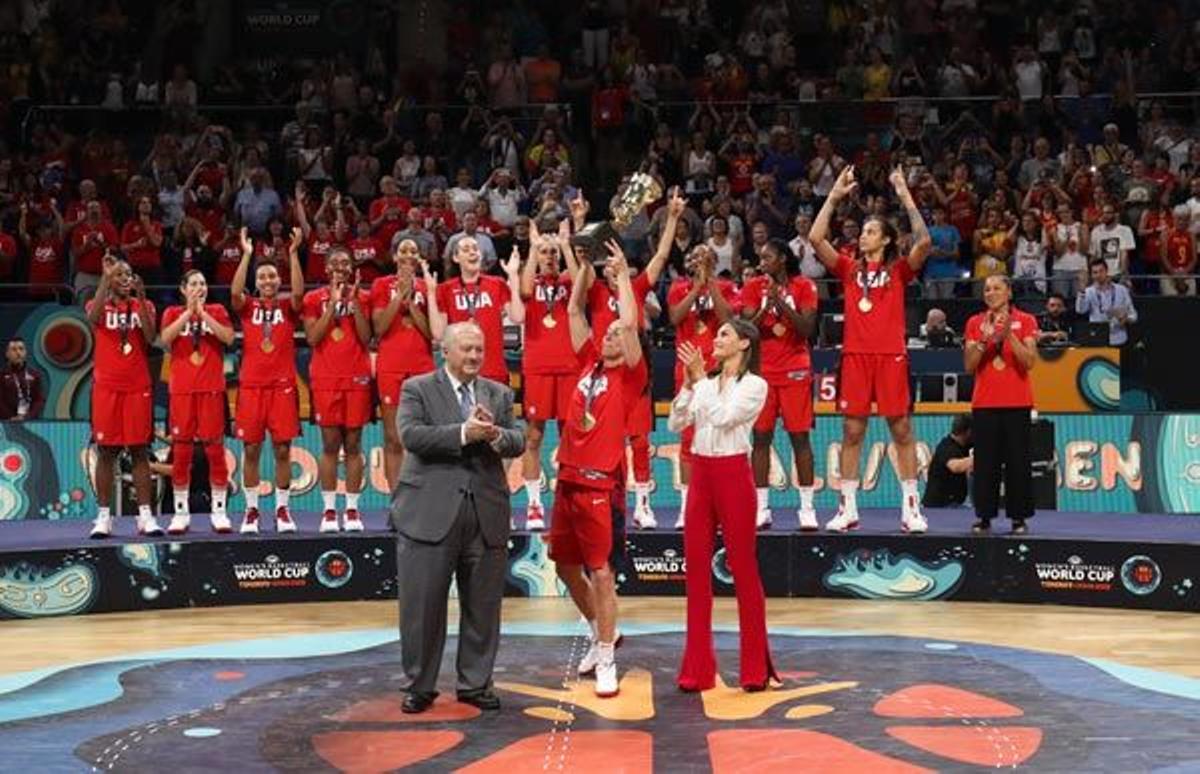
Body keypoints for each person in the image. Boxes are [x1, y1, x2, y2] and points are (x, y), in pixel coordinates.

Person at [391, 321, 525, 714]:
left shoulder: (498, 392)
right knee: (422, 607)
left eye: (479, 350)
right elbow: (411, 436)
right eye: (466, 349)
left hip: (485, 513)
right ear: (444, 351)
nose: (473, 357)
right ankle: (420, 685)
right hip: (428, 514)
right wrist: (465, 433)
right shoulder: (416, 388)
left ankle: (475, 683)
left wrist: (495, 433)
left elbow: (517, 439)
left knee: (483, 606)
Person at [810, 165, 933, 533]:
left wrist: (904, 192)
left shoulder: (898, 271)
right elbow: (817, 238)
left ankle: (911, 509)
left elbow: (924, 243)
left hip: (890, 357)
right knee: (851, 432)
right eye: (863, 231)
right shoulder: (849, 269)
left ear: (885, 240)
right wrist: (834, 195)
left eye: (870, 232)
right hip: (856, 358)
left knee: (902, 430)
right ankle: (847, 509)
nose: (863, 236)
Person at [553, 242, 645, 698]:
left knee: (602, 572)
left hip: (600, 484)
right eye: (604, 334)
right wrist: (585, 267)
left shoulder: (629, 377)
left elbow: (628, 322)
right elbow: (573, 312)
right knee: (567, 567)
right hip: (566, 478)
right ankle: (598, 630)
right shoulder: (586, 366)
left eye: (613, 335)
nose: (608, 336)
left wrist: (623, 275)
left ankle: (607, 658)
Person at [669, 319, 776, 692]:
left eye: (725, 334)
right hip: (700, 475)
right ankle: (697, 670)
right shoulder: (706, 382)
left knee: (743, 568)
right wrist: (688, 386)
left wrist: (699, 382)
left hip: (733, 476)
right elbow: (675, 422)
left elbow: (726, 417)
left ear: (744, 343)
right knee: (696, 573)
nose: (716, 339)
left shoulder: (756, 385)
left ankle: (754, 668)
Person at [583, 189, 681, 528]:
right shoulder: (594, 291)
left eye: (616, 262)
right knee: (606, 443)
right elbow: (580, 262)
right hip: (603, 375)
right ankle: (608, 501)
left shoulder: (637, 288)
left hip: (635, 374)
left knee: (640, 441)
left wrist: (672, 218)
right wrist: (582, 223)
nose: (611, 267)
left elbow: (663, 255)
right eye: (606, 263)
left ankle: (643, 505)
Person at [738, 238, 819, 530]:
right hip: (762, 372)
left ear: (783, 259)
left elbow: (807, 329)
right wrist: (765, 305)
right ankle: (761, 508)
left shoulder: (804, 286)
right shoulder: (752, 287)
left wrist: (780, 302)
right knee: (761, 439)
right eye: (760, 258)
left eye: (767, 257)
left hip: (796, 370)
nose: (762, 263)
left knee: (800, 439)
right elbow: (747, 330)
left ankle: (807, 509)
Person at [231, 227, 304, 534]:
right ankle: (251, 511)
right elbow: (235, 294)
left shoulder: (288, 307)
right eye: (262, 278)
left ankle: (282, 509)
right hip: (251, 387)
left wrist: (292, 253)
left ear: (279, 279)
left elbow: (299, 294)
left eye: (272, 276)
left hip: (282, 387)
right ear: (256, 282)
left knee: (283, 450)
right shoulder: (248, 307)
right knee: (250, 450)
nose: (268, 281)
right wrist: (247, 254)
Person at [86, 255, 163, 538]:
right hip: (107, 387)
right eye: (119, 275)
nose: (125, 278)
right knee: (107, 451)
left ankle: (145, 517)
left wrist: (141, 298)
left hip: (137, 387)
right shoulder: (100, 305)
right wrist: (105, 278)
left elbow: (151, 336)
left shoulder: (145, 305)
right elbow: (91, 319)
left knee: (139, 449)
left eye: (128, 274)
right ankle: (103, 518)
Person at [160, 269, 236, 535]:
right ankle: (181, 514)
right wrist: (187, 313)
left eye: (203, 283)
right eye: (193, 283)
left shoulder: (216, 310)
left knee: (215, 450)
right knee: (181, 451)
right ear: (183, 289)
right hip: (181, 391)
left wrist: (202, 313)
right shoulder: (171, 312)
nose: (199, 287)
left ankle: (219, 512)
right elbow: (165, 340)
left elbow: (228, 338)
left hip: (211, 389)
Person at [668, 242, 738, 529]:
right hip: (686, 369)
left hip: (719, 369)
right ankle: (687, 508)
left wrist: (710, 285)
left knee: (720, 437)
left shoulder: (726, 286)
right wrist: (696, 289)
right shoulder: (677, 288)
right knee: (688, 439)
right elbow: (674, 318)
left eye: (705, 256)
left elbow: (728, 319)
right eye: (695, 256)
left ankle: (721, 507)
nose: (699, 260)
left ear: (713, 260)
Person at [302, 249, 372, 533]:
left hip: (357, 377)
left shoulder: (363, 297)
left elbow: (367, 337)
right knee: (330, 445)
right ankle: (330, 511)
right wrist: (331, 305)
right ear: (326, 267)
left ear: (352, 267)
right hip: (325, 378)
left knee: (354, 445)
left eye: (345, 262)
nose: (340, 267)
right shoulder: (312, 299)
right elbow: (312, 337)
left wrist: (352, 302)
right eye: (334, 262)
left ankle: (352, 510)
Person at [964, 275, 1039, 533]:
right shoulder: (975, 322)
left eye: (996, 288)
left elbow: (1029, 361)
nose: (991, 293)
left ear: (1008, 292)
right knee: (986, 465)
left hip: (1017, 402)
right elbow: (969, 365)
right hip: (985, 403)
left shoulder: (1026, 321)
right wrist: (985, 340)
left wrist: (1009, 336)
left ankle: (1019, 518)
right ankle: (984, 517)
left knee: (1018, 463)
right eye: (986, 289)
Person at [517, 222, 578, 530]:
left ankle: (568, 502)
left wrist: (566, 246)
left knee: (571, 438)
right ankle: (533, 505)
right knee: (534, 437)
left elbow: (582, 283)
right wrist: (532, 247)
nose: (550, 256)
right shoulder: (532, 280)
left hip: (569, 366)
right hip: (538, 366)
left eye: (553, 252)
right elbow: (525, 290)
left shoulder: (569, 281)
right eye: (545, 252)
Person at [371, 239, 437, 493]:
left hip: (422, 368)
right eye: (403, 250)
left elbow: (432, 332)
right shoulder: (380, 285)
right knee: (393, 438)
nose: (408, 255)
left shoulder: (429, 286)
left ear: (420, 258)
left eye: (413, 250)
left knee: (421, 438)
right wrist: (399, 296)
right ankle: (398, 500)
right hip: (390, 367)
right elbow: (379, 328)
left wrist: (412, 306)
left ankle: (422, 497)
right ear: (394, 256)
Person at [431, 237, 524, 385]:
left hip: (493, 370)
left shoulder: (497, 284)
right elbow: (438, 334)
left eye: (475, 248)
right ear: (456, 257)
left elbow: (518, 317)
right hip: (459, 373)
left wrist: (513, 276)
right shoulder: (445, 290)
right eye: (466, 249)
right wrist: (430, 293)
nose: (472, 252)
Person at [1075, 259, 1137, 346]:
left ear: (1107, 271)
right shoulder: (1088, 291)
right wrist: (1081, 291)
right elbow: (1080, 310)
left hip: (1119, 339)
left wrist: (1125, 318)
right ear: (1091, 275)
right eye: (1095, 272)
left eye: (1101, 271)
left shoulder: (1121, 290)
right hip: (1097, 339)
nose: (1099, 275)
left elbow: (1133, 315)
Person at [922, 413, 973, 508]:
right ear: (969, 431)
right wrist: (982, 458)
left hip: (955, 502)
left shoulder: (966, 444)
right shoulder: (946, 447)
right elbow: (956, 467)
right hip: (939, 506)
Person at [0, 338, 45, 421]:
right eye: (14, 349)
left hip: (30, 421)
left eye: (21, 349)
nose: (18, 353)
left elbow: (39, 400)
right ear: (7, 354)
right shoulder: (2, 375)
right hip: (6, 422)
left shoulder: (35, 375)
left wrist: (28, 417)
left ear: (25, 352)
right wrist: (11, 417)